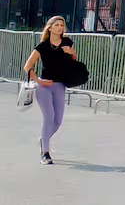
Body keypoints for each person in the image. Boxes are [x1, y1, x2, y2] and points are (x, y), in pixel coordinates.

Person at [23, 16, 77, 165]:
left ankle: (43, 139)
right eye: (57, 25)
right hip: (44, 86)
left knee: (58, 121)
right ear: (50, 28)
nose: (60, 28)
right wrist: (38, 80)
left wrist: (71, 52)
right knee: (49, 117)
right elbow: (28, 66)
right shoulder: (43, 46)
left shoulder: (67, 42)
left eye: (62, 25)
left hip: (60, 85)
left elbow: (74, 60)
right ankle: (45, 152)